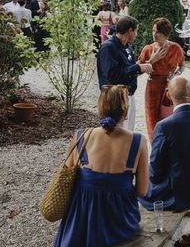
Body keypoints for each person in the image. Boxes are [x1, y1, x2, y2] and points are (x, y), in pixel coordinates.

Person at [53, 85, 149, 247]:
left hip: (82, 222)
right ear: (125, 111)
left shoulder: (81, 136)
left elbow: (66, 180)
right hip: (120, 221)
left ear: (100, 108)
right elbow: (141, 191)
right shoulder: (138, 141)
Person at [139, 77, 190, 212]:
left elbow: (155, 171)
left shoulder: (163, 127)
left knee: (141, 184)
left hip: (178, 194)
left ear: (167, 95)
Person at [97, 16, 153, 131]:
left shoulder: (127, 47)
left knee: (128, 132)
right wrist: (137, 67)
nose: (136, 34)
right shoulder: (108, 48)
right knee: (117, 134)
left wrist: (143, 68)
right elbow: (112, 76)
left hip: (129, 95)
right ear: (130, 31)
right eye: (136, 31)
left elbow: (129, 71)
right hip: (114, 98)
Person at [137, 18, 185, 140]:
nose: (154, 34)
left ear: (166, 34)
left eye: (158, 32)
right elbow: (137, 71)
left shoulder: (175, 48)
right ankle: (155, 146)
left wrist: (175, 75)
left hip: (170, 87)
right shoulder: (148, 49)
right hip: (152, 86)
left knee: (169, 117)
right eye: (153, 31)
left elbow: (182, 66)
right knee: (152, 118)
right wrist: (152, 60)